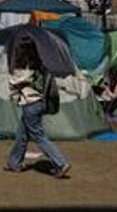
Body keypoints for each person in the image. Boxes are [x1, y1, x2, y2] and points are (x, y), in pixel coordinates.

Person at [4, 36, 71, 178]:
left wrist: (11, 72)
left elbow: (14, 82)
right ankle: (14, 163)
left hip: (30, 104)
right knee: (22, 134)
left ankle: (61, 163)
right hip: (40, 103)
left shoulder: (23, 67)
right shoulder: (40, 64)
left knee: (39, 136)